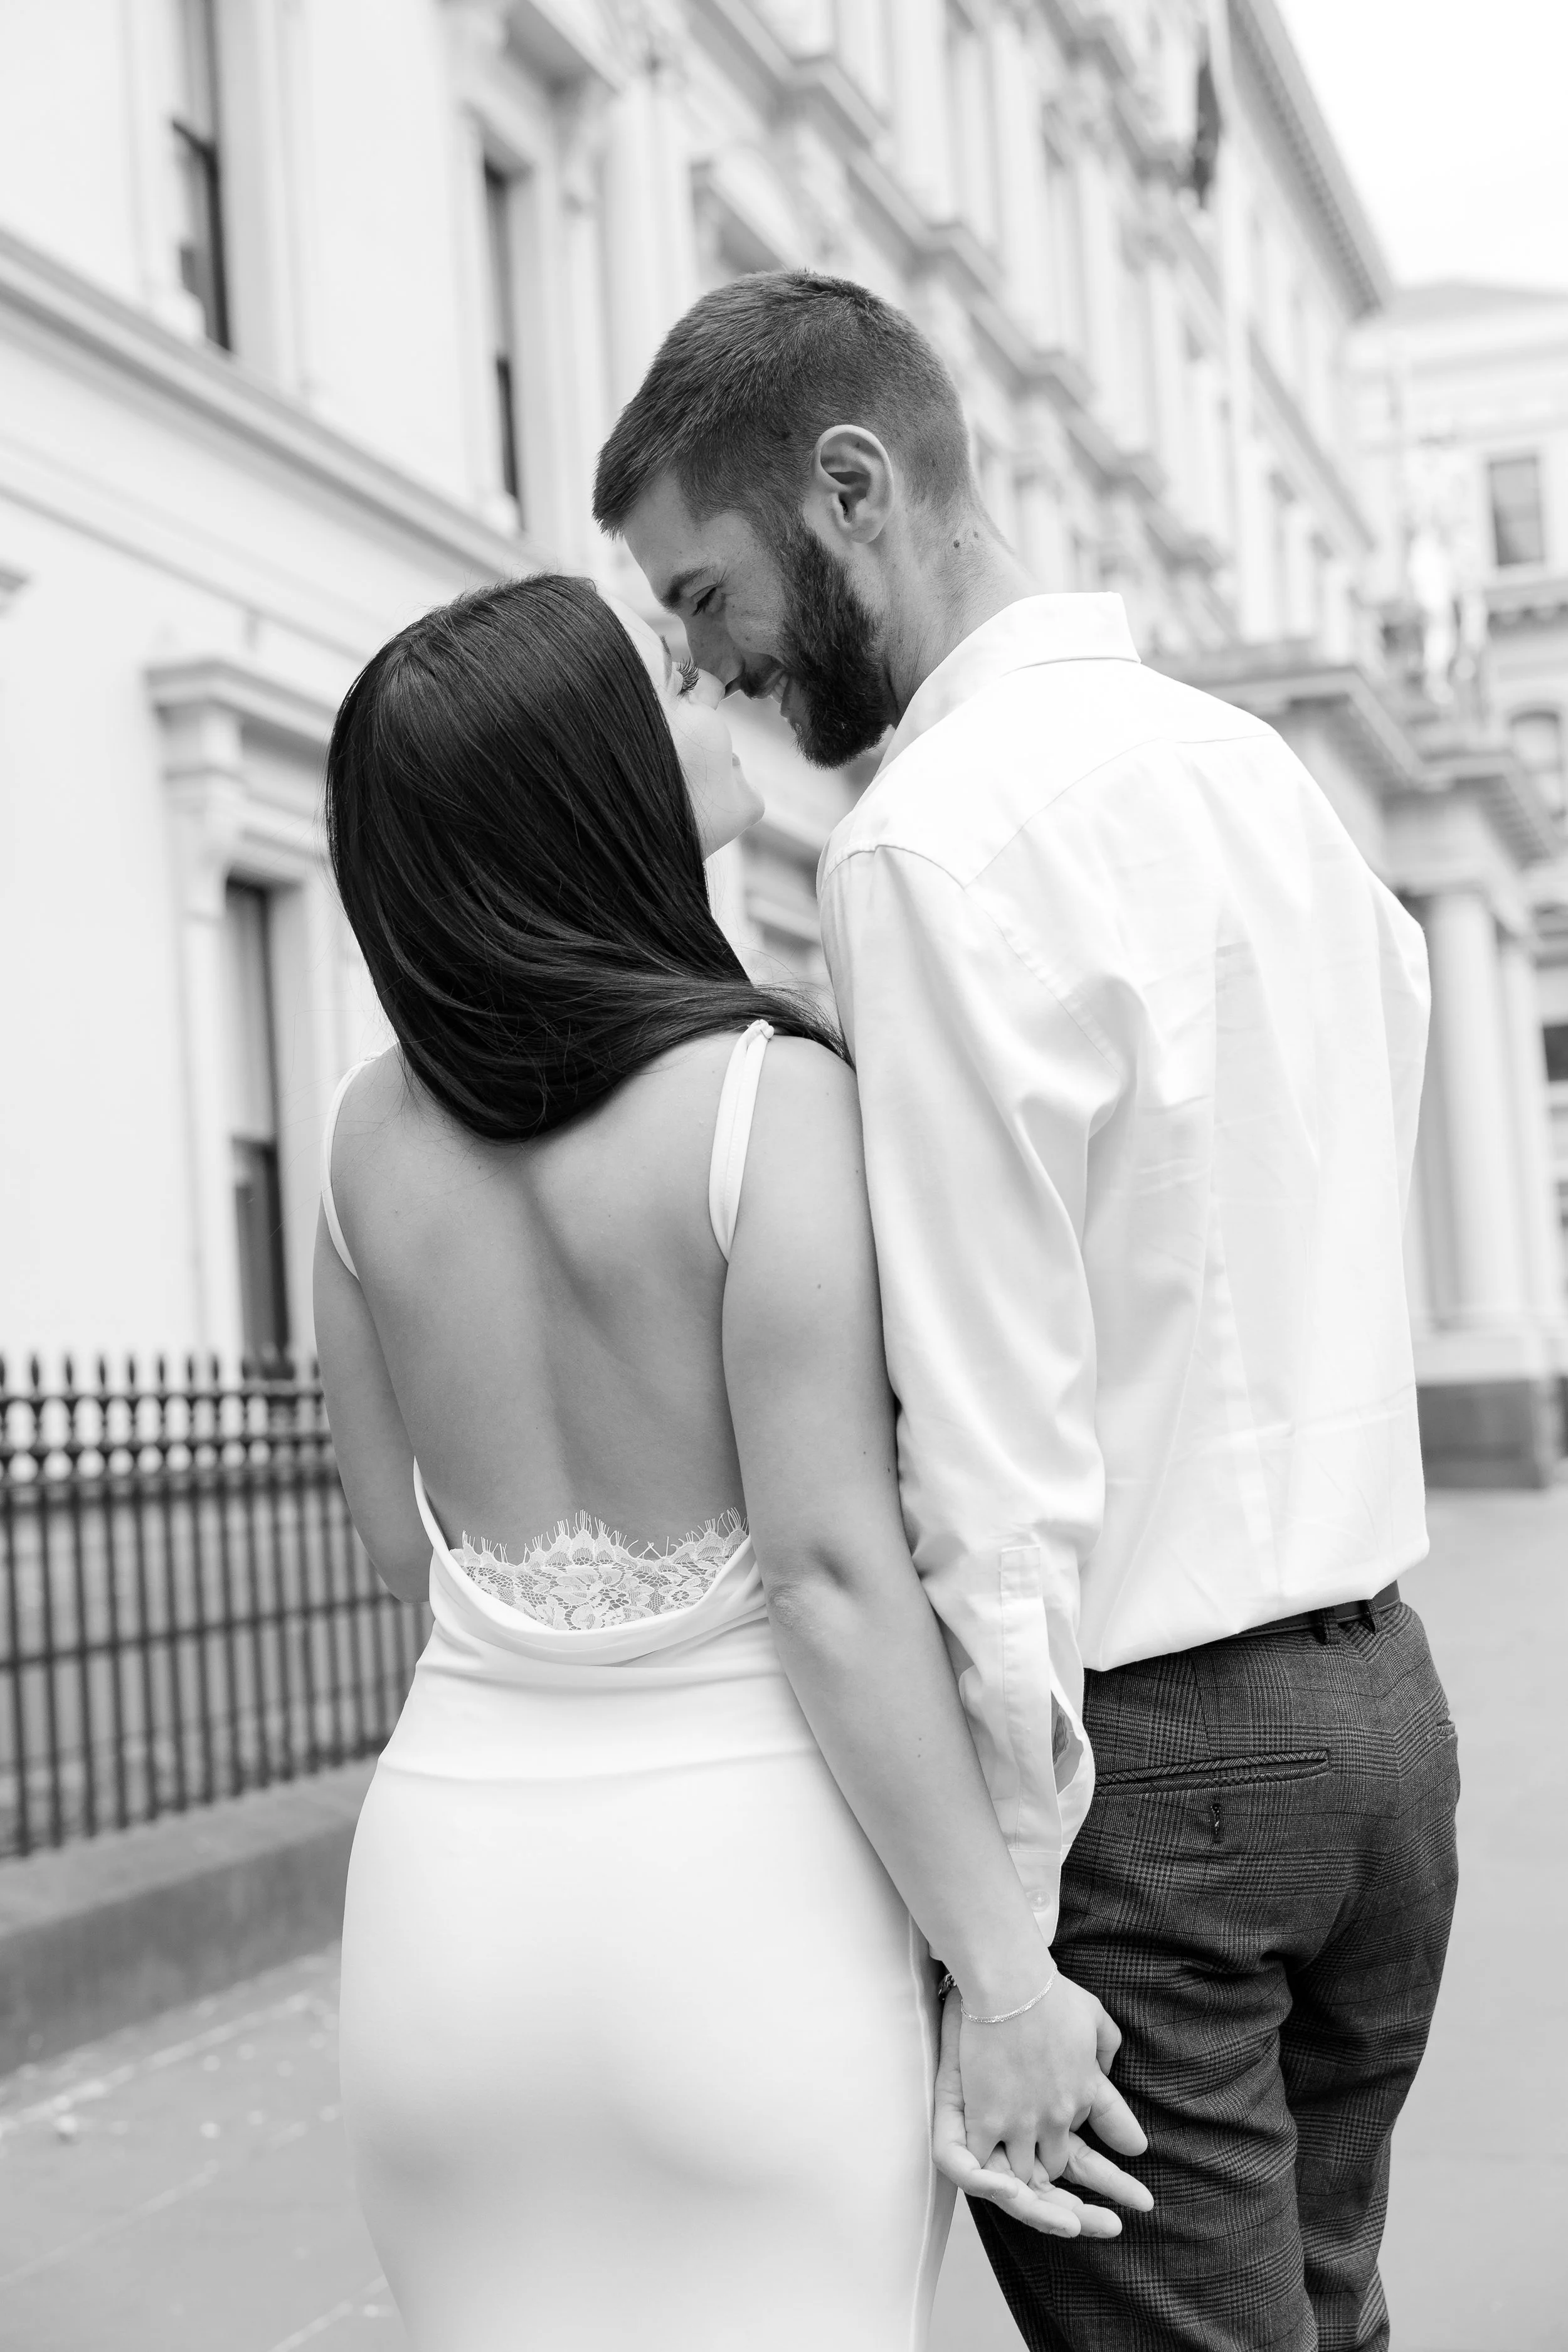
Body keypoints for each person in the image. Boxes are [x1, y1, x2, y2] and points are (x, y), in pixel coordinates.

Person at [595, 270, 1460, 2352]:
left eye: (703, 598)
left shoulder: (921, 848)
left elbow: (985, 1447)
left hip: (1153, 1776)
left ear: (850, 486)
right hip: (1384, 1734)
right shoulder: (1262, 780)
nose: (704, 675)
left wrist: (997, 1953)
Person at [317, 571, 1149, 2352]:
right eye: (667, 689)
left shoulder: (358, 1139)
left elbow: (404, 1541)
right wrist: (1005, 1972)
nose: (714, 698)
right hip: (742, 1908)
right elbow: (831, 1578)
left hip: (448, 1911)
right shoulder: (769, 1100)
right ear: (593, 781)